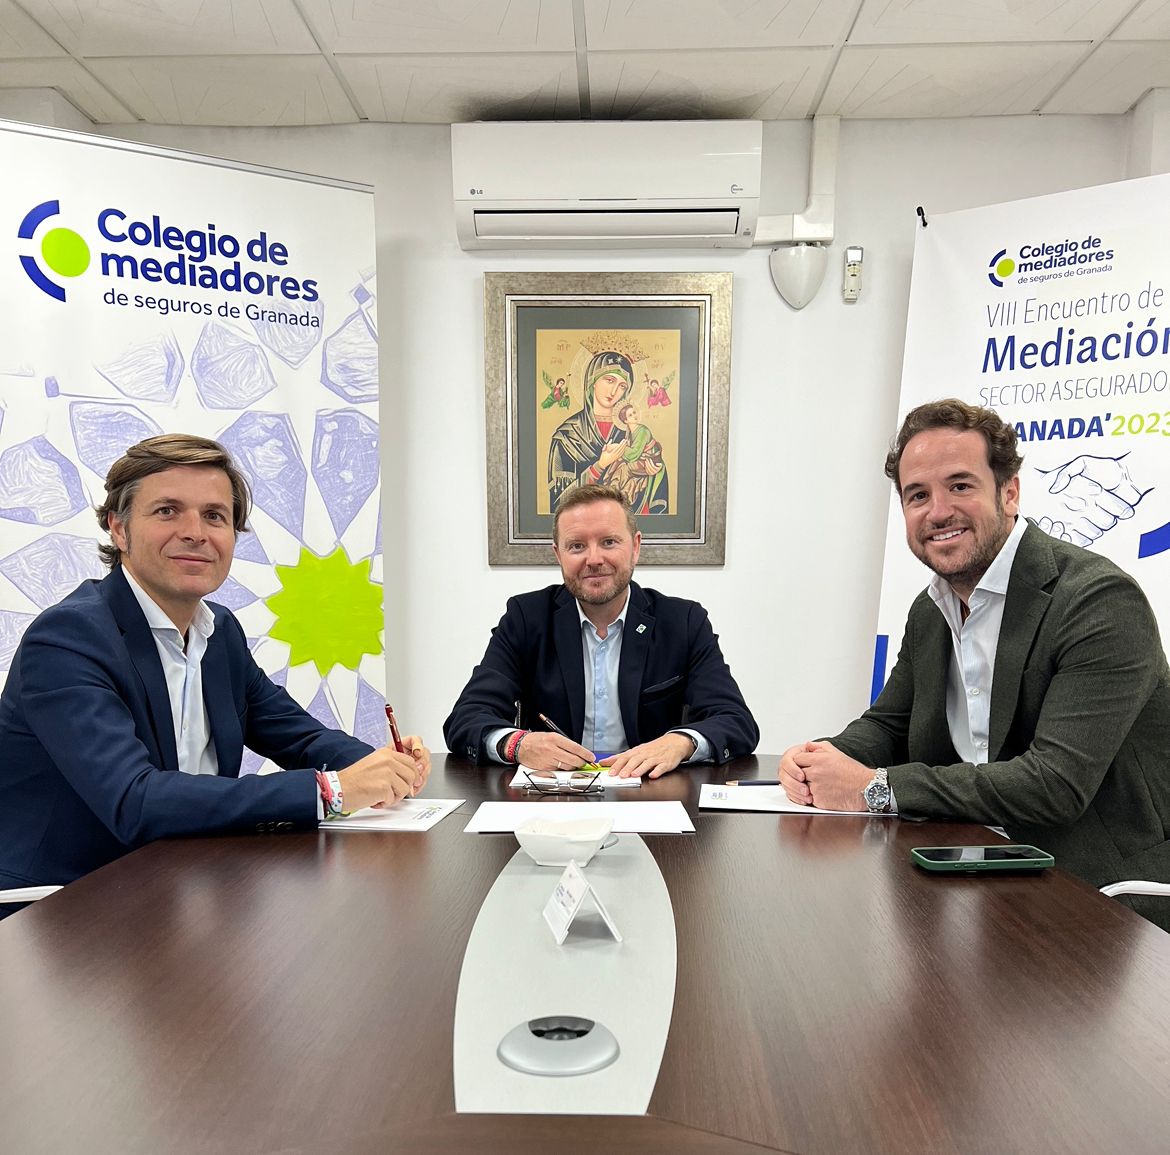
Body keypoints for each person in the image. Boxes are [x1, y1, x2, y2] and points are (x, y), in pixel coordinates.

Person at [778, 399, 1170, 926]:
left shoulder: (1097, 600)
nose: (938, 512)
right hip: (965, 868)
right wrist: (820, 759)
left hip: (1097, 895)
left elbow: (1055, 785)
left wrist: (875, 788)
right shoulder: (931, 610)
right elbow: (888, 726)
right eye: (918, 495)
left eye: (960, 486)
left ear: (1009, 493)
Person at [0, 434, 430, 909]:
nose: (195, 532)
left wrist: (385, 767)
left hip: (180, 886)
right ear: (119, 530)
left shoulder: (219, 631)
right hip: (62, 906)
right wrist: (332, 790)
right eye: (167, 511)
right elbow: (134, 800)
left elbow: (298, 737)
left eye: (214, 516)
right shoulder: (68, 639)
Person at [444, 484, 757, 778]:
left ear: (635, 547)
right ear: (558, 554)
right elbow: (466, 718)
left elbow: (736, 721)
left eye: (609, 542)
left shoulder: (684, 622)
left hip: (652, 795)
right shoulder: (526, 618)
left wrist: (680, 742)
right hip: (551, 796)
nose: (593, 559)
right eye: (577, 546)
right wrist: (518, 744)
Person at [547, 350, 669, 512]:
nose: (614, 392)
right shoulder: (567, 435)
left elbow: (651, 460)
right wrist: (600, 465)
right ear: (593, 381)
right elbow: (558, 501)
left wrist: (653, 470)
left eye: (622, 386)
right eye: (609, 380)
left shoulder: (631, 429)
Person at [602, 401, 667, 515]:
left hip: (648, 461)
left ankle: (612, 495)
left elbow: (633, 454)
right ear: (625, 420)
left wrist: (617, 447)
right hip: (640, 461)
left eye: (634, 412)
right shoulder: (629, 432)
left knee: (624, 469)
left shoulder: (642, 431)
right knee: (617, 464)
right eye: (630, 415)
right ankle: (612, 496)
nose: (634, 416)